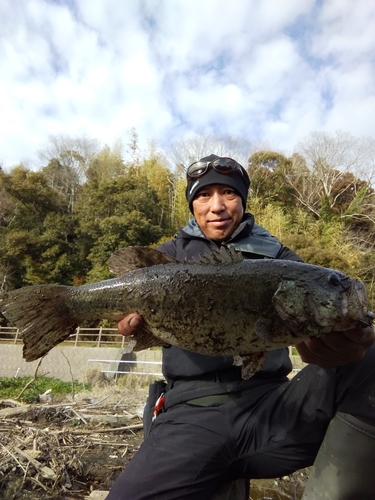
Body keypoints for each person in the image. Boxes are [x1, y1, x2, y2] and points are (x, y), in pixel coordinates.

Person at [106, 154, 375, 500]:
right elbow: (128, 315)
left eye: (228, 194)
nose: (216, 206)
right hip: (190, 415)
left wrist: (354, 340)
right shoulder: (166, 259)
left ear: (243, 201)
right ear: (192, 205)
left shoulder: (280, 258)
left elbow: (335, 321)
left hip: (275, 409)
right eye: (204, 195)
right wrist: (132, 324)